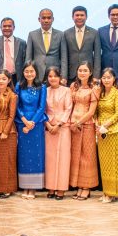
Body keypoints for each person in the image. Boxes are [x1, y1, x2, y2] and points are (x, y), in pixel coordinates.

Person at [15, 61, 47, 199]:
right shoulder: (18, 86)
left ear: (36, 72)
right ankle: (25, 186)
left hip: (36, 124)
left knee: (36, 155)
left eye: (31, 71)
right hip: (22, 124)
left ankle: (33, 188)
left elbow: (42, 107)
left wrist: (32, 122)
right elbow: (16, 106)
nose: (29, 74)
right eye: (26, 71)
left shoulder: (42, 87)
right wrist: (24, 121)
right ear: (23, 72)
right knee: (24, 155)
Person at [69, 62, 99, 200]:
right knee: (76, 157)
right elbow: (70, 106)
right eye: (80, 70)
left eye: (85, 70)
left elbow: (92, 111)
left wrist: (78, 122)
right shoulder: (73, 86)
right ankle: (79, 186)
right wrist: (72, 122)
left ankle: (86, 187)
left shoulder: (95, 88)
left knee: (87, 156)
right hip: (73, 126)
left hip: (87, 125)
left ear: (90, 72)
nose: (82, 73)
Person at [43, 66, 73, 200]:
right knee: (50, 159)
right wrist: (48, 124)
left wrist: (59, 124)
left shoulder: (66, 90)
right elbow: (42, 109)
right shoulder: (45, 91)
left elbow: (68, 109)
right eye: (50, 76)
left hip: (63, 127)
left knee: (63, 159)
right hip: (49, 128)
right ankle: (50, 187)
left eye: (55, 76)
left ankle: (61, 189)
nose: (53, 78)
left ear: (60, 77)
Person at [95, 67, 118, 203]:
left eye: (109, 77)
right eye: (104, 77)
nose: (106, 80)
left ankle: (113, 193)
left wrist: (105, 125)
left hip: (113, 131)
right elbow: (96, 112)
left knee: (113, 163)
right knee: (104, 163)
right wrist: (97, 124)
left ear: (114, 79)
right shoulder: (99, 93)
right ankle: (106, 191)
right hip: (100, 132)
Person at [0, 70, 18, 198]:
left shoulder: (12, 95)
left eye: (3, 79)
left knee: (8, 160)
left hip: (8, 131)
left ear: (9, 80)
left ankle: (8, 189)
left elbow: (12, 116)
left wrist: (5, 131)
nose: (1, 81)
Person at [25, 8, 67, 83]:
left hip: (55, 74)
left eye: (49, 18)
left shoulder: (61, 34)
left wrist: (64, 76)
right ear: (39, 19)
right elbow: (28, 57)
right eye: (43, 18)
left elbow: (64, 58)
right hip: (37, 74)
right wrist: (28, 74)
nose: (46, 20)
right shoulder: (32, 35)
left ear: (53, 19)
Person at [64, 6, 101, 83]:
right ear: (72, 17)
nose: (79, 17)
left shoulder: (94, 33)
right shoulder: (66, 33)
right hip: (71, 74)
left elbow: (97, 56)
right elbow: (64, 56)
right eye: (77, 15)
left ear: (86, 17)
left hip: (89, 74)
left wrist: (96, 76)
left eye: (82, 15)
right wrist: (64, 76)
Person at [0, 17, 27, 85]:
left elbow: (25, 61)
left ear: (14, 27)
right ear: (1, 28)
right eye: (4, 26)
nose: (7, 28)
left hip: (17, 77)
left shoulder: (21, 42)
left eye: (9, 26)